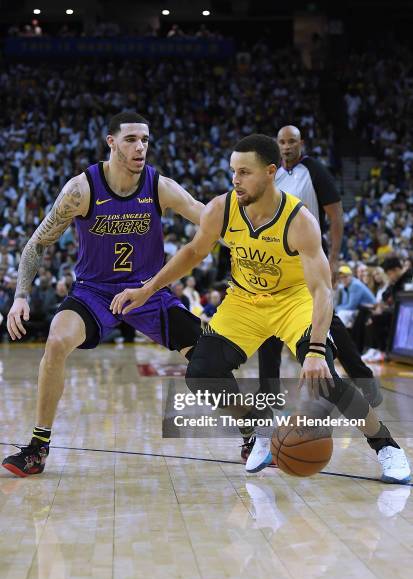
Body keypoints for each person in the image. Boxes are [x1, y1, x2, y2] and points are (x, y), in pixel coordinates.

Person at [110, 134, 410, 484]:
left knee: (325, 379)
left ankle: (386, 446)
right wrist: (148, 289)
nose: (235, 180)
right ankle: (258, 424)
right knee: (200, 373)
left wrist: (314, 351)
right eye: (232, 172)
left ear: (270, 172)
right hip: (245, 301)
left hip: (294, 300)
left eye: (244, 172)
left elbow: (322, 288)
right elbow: (192, 253)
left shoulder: (299, 221)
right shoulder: (222, 208)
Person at [3, 111, 204, 477]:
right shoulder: (82, 189)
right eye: (130, 139)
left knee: (209, 358)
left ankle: (251, 434)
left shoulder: (159, 185)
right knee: (56, 342)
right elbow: (35, 244)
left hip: (148, 292)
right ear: (111, 142)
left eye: (144, 139)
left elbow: (206, 217)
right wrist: (21, 295)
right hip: (94, 292)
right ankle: (38, 446)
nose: (140, 146)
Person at [255, 125, 382, 460]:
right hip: (277, 259)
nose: (286, 147)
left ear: (301, 143)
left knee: (327, 322)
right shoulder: (272, 176)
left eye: (291, 141)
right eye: (281, 142)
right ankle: (270, 400)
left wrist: (335, 254)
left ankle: (363, 379)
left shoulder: (316, 171)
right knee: (273, 329)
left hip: (311, 256)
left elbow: (336, 216)